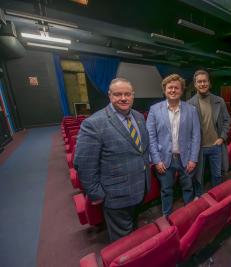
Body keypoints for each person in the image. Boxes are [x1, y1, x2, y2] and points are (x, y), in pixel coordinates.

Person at [74, 78, 150, 242]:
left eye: (127, 94)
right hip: (115, 196)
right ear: (109, 96)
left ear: (133, 96)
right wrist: (96, 194)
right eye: (118, 94)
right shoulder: (93, 123)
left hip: (140, 188)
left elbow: (141, 151)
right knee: (123, 242)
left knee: (134, 229)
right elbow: (84, 165)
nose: (123, 98)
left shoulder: (139, 117)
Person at [146, 74, 200, 216]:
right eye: (170, 87)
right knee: (166, 190)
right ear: (164, 90)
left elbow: (196, 136)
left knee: (188, 187)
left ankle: (190, 213)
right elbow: (150, 137)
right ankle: (167, 215)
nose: (173, 90)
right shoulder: (154, 110)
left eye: (176, 88)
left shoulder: (191, 110)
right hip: (164, 159)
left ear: (182, 91)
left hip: (186, 157)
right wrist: (156, 160)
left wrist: (193, 159)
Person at [188, 69, 231, 197]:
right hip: (198, 148)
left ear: (209, 83)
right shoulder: (189, 104)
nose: (202, 84)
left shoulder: (219, 101)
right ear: (195, 84)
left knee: (217, 174)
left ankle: (216, 196)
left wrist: (222, 137)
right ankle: (199, 197)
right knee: (198, 176)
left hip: (215, 146)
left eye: (205, 81)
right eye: (199, 82)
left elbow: (227, 120)